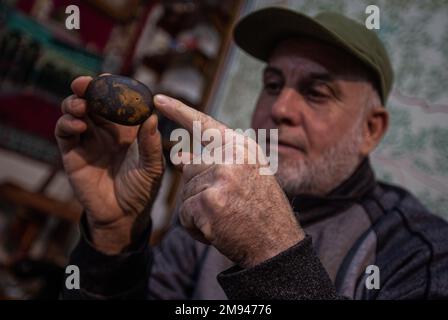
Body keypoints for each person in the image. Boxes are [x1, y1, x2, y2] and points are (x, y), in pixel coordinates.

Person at [57, 8, 448, 299]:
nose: (280, 109)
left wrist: (270, 250)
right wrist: (114, 239)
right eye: (273, 84)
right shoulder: (208, 210)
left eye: (316, 92)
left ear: (371, 129)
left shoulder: (420, 253)